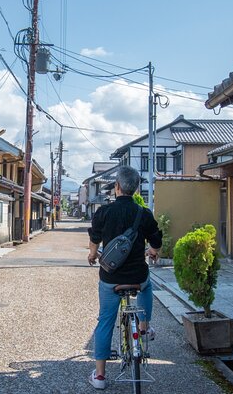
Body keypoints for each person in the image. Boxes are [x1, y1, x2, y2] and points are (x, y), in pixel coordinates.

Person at [87, 166, 162, 390]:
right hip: (137, 276)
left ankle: (100, 377)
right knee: (148, 286)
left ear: (117, 187)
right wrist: (153, 252)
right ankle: (145, 325)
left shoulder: (104, 212)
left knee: (105, 322)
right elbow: (156, 240)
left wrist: (92, 255)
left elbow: (94, 241)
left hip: (111, 278)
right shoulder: (143, 213)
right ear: (136, 188)